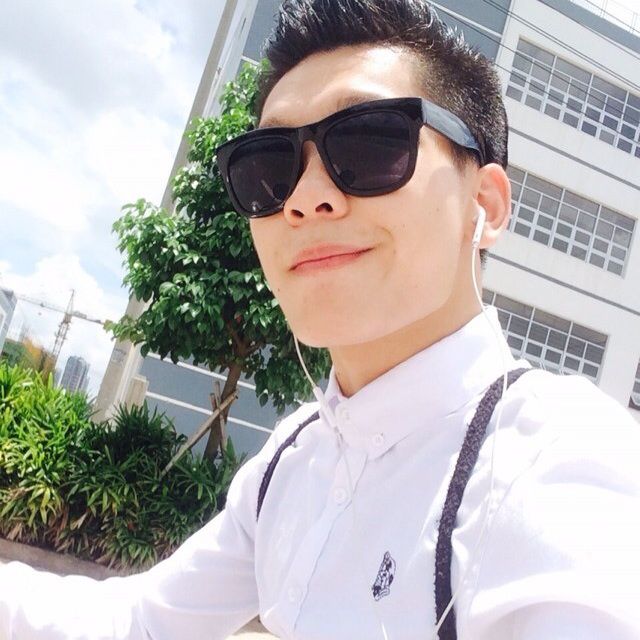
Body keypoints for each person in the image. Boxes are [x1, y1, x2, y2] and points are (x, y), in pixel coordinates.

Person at [2, 0, 639, 638]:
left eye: (370, 142)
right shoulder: (293, 460)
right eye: (268, 167)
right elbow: (141, 623)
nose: (305, 199)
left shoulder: (561, 464)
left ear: (486, 205)